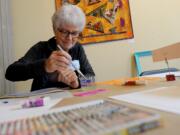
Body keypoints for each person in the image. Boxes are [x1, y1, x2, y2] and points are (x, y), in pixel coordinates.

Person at [5, 4, 95, 91]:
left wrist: (77, 83)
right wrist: (44, 66)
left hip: (70, 101)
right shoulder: (41, 48)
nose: (69, 38)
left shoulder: (77, 48)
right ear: (54, 29)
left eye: (74, 33)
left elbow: (91, 78)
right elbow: (10, 73)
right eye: (64, 31)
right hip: (43, 102)